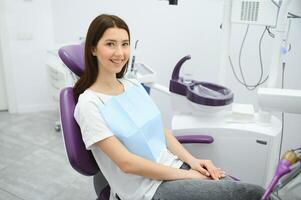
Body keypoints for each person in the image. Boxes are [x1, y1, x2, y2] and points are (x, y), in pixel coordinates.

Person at [74, 14, 271, 200]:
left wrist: (193, 162)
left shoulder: (132, 84)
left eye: (124, 44)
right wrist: (188, 176)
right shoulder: (89, 103)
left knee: (233, 186)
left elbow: (161, 130)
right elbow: (127, 164)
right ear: (93, 49)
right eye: (110, 44)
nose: (120, 53)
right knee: (253, 194)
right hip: (147, 190)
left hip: (174, 167)